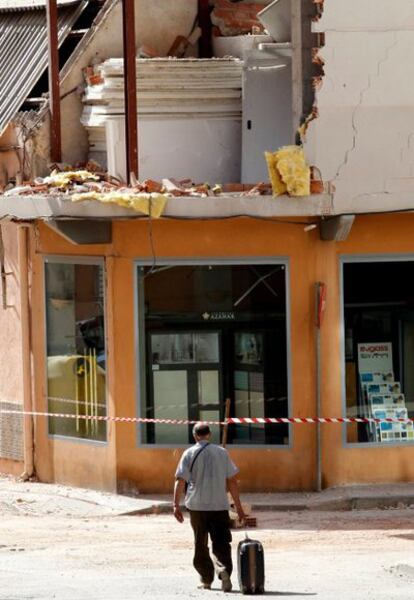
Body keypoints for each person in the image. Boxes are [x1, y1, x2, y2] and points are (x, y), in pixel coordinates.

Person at [173, 423, 246, 592]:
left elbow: (180, 480)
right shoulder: (222, 452)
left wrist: (176, 505)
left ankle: (206, 579)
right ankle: (223, 571)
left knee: (201, 543)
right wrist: (239, 508)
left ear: (194, 435)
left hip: (197, 507)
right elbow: (232, 481)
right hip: (219, 505)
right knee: (221, 542)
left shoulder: (188, 453)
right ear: (209, 434)